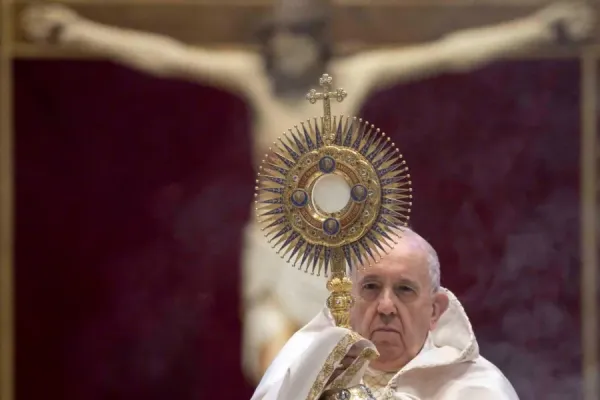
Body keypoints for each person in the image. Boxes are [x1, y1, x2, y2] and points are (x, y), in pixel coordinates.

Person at [20, 0, 595, 383]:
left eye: (293, 41)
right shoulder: (255, 77)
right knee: (278, 366)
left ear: (314, 44)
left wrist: (540, 27)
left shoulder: (353, 76)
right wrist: (75, 29)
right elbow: (165, 56)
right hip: (275, 242)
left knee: (345, 371)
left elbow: (449, 50)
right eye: (274, 43)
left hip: (343, 245)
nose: (282, 54)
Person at [252, 228, 519, 400]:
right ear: (347, 301)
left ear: (434, 309)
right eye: (371, 287)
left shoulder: (476, 389)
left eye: (404, 290)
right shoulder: (300, 371)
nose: (386, 306)